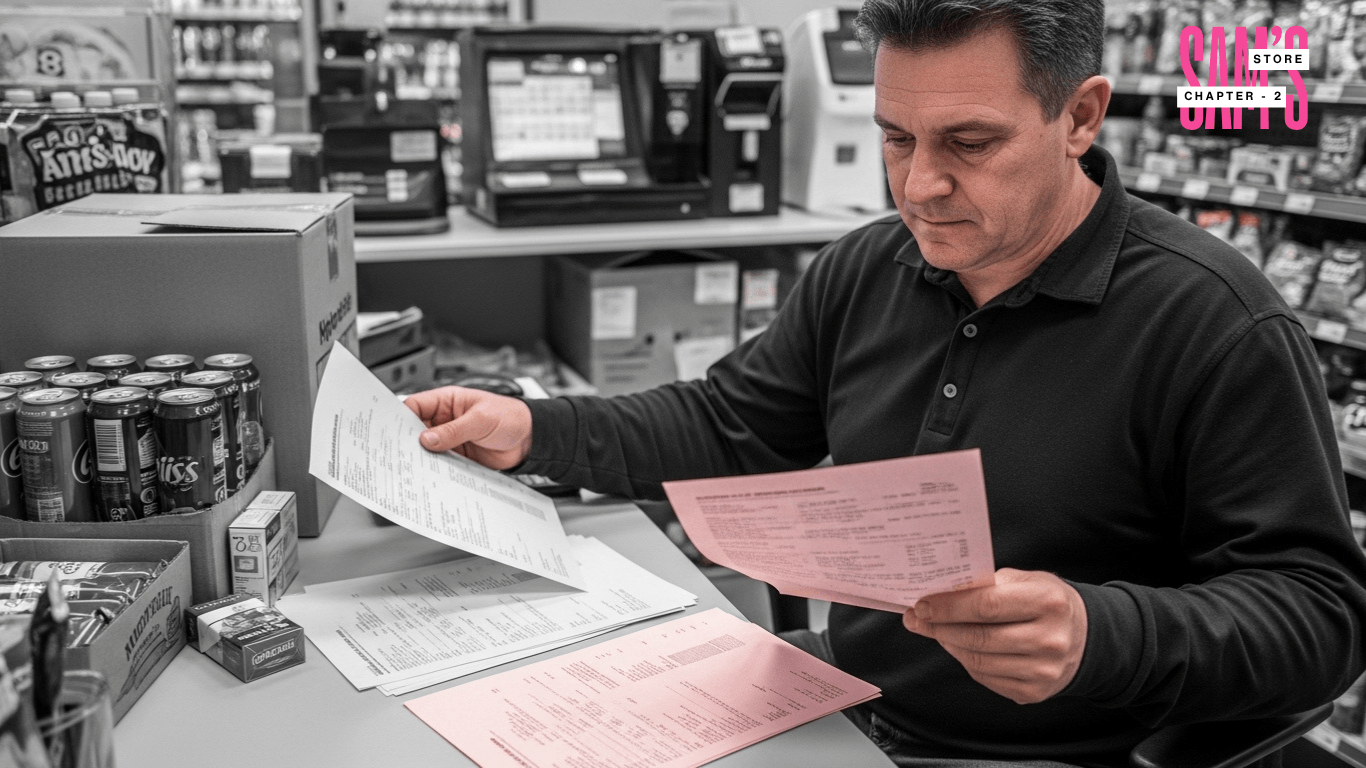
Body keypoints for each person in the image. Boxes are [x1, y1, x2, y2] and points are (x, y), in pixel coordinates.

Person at [403, 1, 1366, 765]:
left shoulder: (1215, 322)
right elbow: (733, 424)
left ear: (1079, 116)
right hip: (846, 705)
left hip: (1053, 752)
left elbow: (1320, 617)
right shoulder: (869, 266)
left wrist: (1100, 632)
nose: (918, 188)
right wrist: (532, 429)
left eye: (970, 144)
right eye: (897, 137)